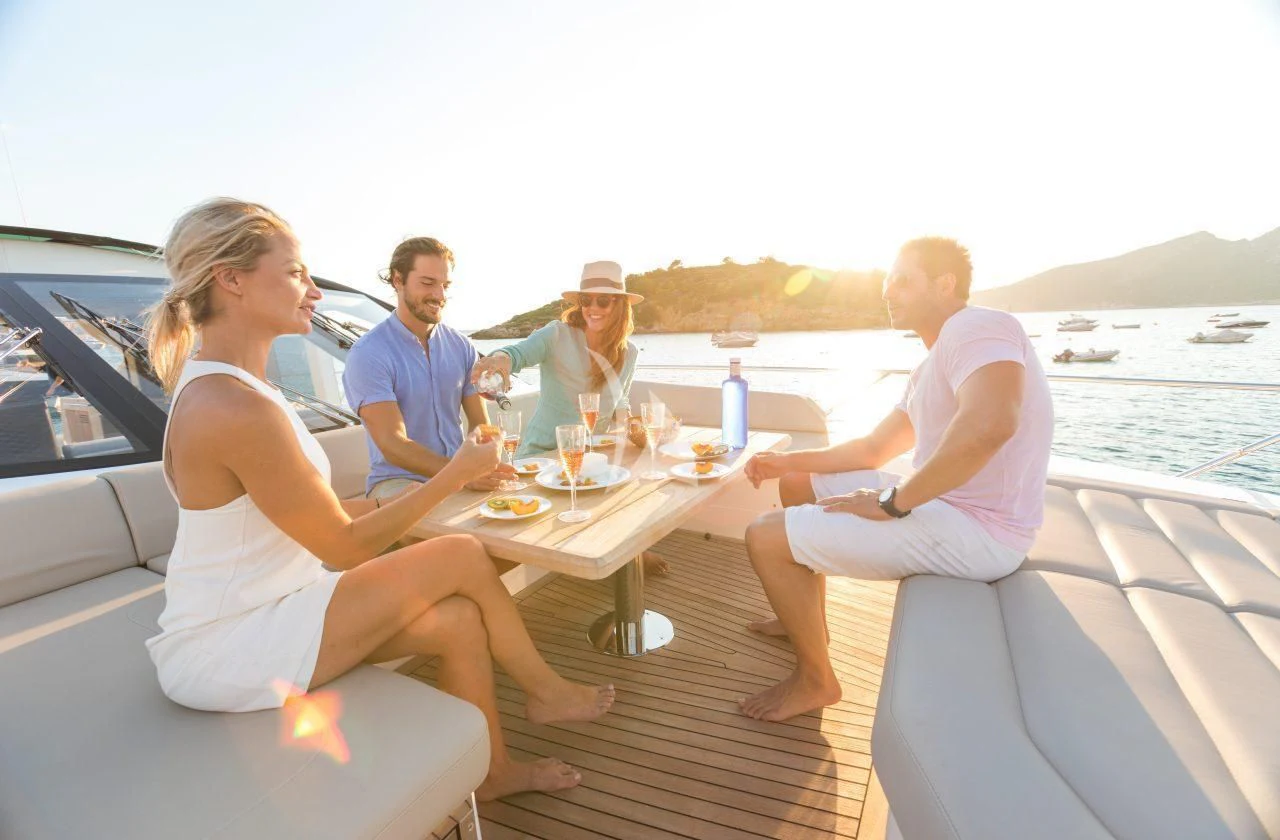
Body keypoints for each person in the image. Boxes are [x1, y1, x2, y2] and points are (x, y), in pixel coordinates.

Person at [143, 198, 614, 800]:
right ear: (229, 279)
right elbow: (340, 545)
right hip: (230, 644)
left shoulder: (238, 389)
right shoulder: (233, 406)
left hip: (274, 607)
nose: (312, 289)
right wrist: (457, 477)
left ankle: (490, 772)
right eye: (294, 272)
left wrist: (443, 492)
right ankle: (545, 691)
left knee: (459, 621)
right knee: (461, 555)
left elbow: (316, 519)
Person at [739, 236, 1052, 722]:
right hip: (949, 507)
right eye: (887, 280)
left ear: (945, 284)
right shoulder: (931, 364)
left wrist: (892, 501)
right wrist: (786, 462)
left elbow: (992, 424)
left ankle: (817, 681)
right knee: (798, 482)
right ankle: (801, 618)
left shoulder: (978, 325)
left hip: (984, 531)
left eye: (903, 280)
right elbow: (871, 449)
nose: (888, 291)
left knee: (765, 537)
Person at [471, 261, 669, 574]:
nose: (593, 308)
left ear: (619, 305)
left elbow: (622, 400)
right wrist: (499, 361)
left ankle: (627, 554)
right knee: (512, 537)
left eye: (603, 300)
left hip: (589, 461)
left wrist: (633, 426)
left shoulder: (629, 353)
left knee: (635, 485)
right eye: (586, 300)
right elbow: (516, 354)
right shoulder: (557, 335)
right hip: (540, 459)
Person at [342, 237, 516, 503]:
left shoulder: (461, 346)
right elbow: (393, 445)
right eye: (427, 283)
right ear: (398, 280)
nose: (440, 295)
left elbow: (480, 424)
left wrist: (485, 461)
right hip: (396, 484)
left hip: (459, 477)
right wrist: (462, 473)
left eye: (444, 285)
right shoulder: (368, 354)